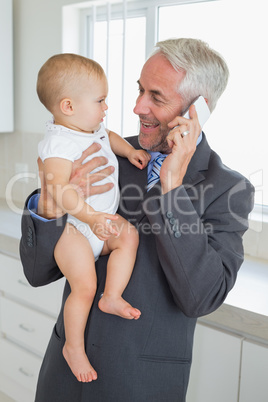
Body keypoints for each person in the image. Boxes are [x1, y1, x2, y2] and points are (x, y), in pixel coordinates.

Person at [20, 38, 254, 402]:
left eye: (156, 97)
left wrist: (172, 188)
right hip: (61, 381)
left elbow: (201, 297)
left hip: (139, 385)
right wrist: (52, 203)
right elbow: (38, 273)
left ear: (196, 111)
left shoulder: (228, 188)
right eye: (139, 90)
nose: (136, 106)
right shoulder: (102, 154)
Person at [35, 53, 151, 383]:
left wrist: (128, 151)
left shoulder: (93, 129)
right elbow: (59, 188)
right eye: (100, 100)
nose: (106, 108)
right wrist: (91, 215)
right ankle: (73, 347)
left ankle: (112, 296)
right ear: (68, 106)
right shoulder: (59, 141)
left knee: (127, 235)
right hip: (74, 230)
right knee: (84, 287)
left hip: (99, 222)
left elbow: (110, 137)